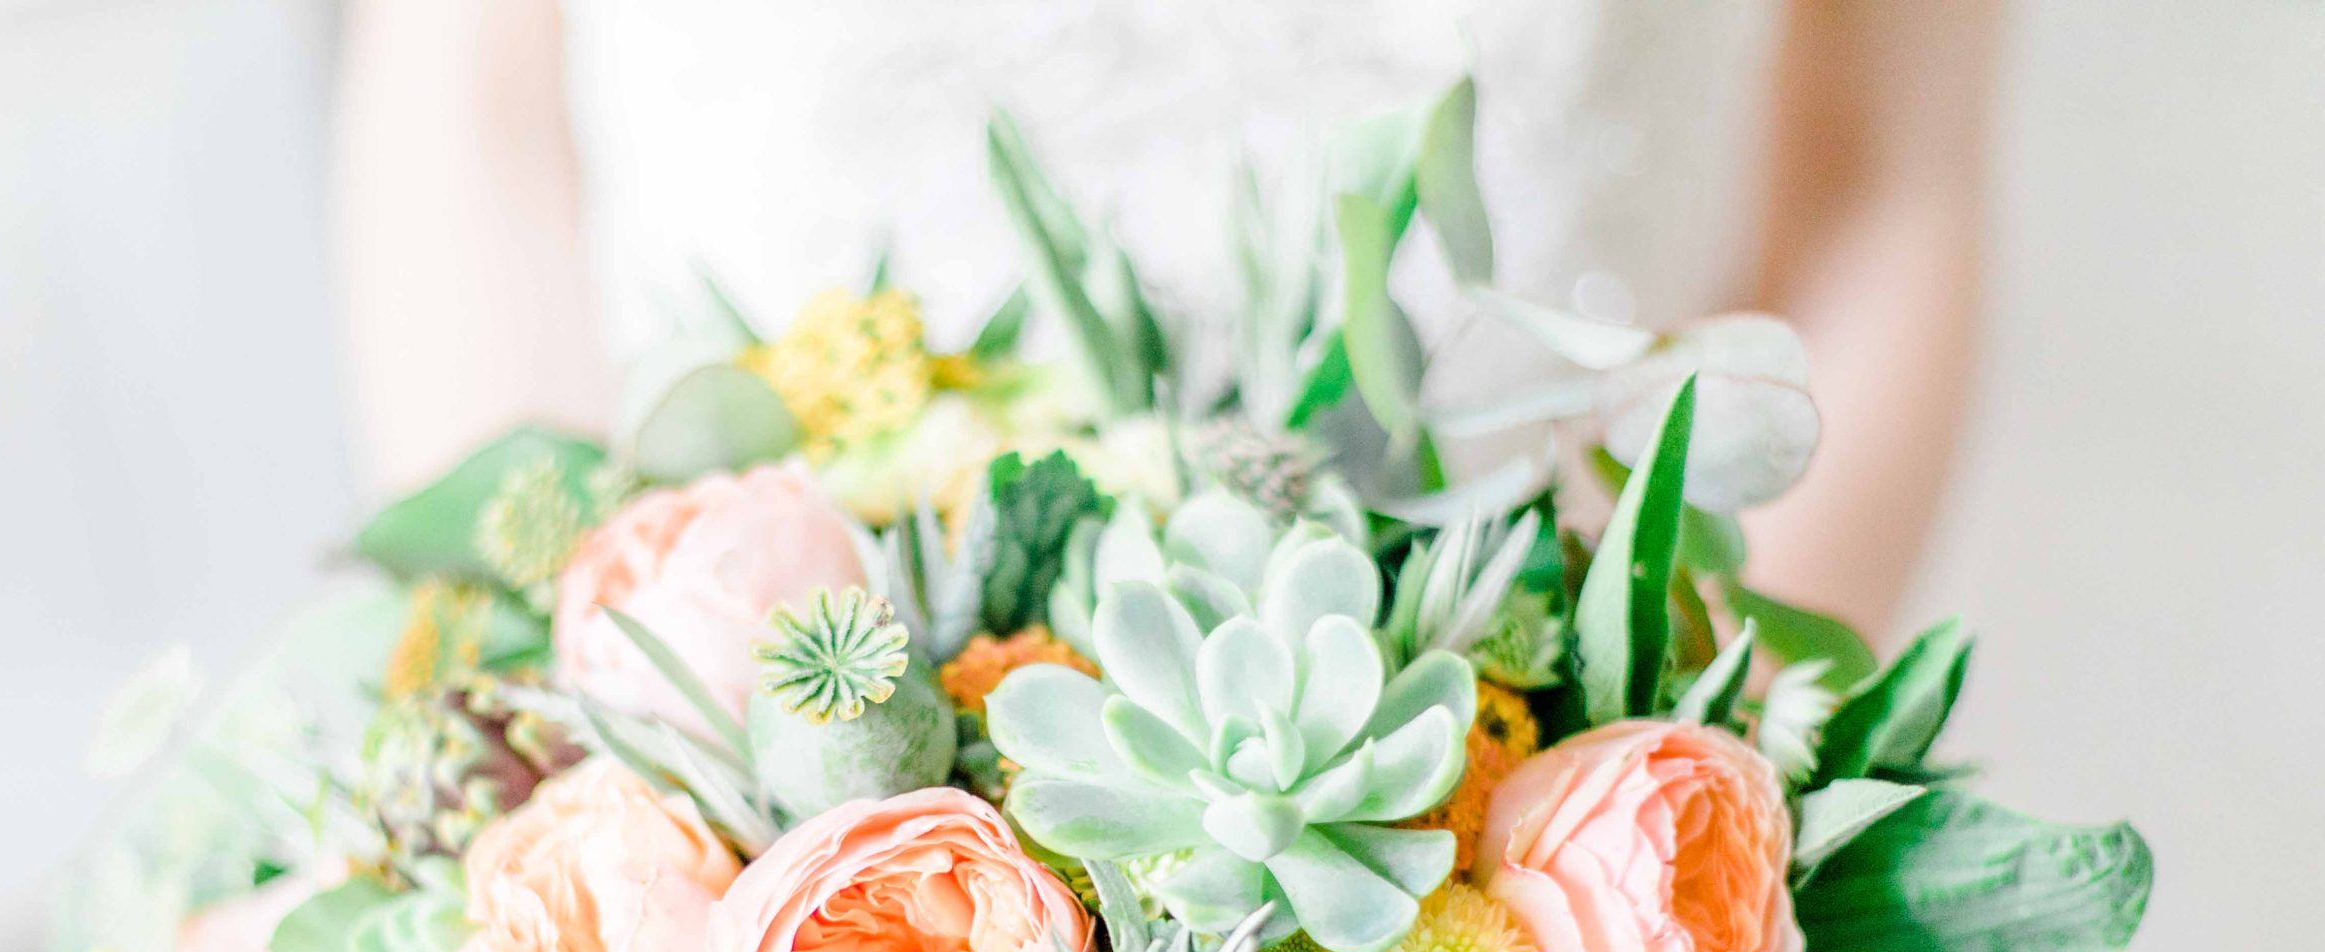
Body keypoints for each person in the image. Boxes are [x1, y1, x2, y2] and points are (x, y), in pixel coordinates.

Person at [332, 0, 2005, 642]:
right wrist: (586, 720)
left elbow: (1877, 173)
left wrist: (1679, 815)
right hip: (740, 702)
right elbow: (472, 118)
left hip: (1536, 740)